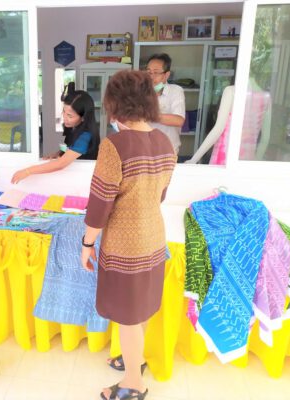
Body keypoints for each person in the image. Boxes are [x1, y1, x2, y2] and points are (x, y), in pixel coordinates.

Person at [81, 70, 176, 400]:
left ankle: (134, 384)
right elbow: (160, 194)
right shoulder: (164, 142)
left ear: (114, 104)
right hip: (154, 236)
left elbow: (100, 204)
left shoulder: (115, 145)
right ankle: (134, 359)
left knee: (127, 315)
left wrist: (87, 243)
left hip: (125, 244)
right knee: (141, 307)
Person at [11, 82, 99, 184]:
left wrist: (28, 171)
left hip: (83, 178)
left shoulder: (85, 136)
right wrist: (57, 154)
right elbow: (70, 148)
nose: (64, 118)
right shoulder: (74, 127)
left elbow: (61, 164)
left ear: (83, 117)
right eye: (64, 112)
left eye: (70, 116)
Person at [146, 53, 186, 154]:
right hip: (144, 150)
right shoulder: (140, 91)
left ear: (166, 75)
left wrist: (149, 115)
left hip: (168, 150)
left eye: (156, 73)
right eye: (149, 72)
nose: (151, 77)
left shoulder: (175, 91)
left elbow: (179, 120)